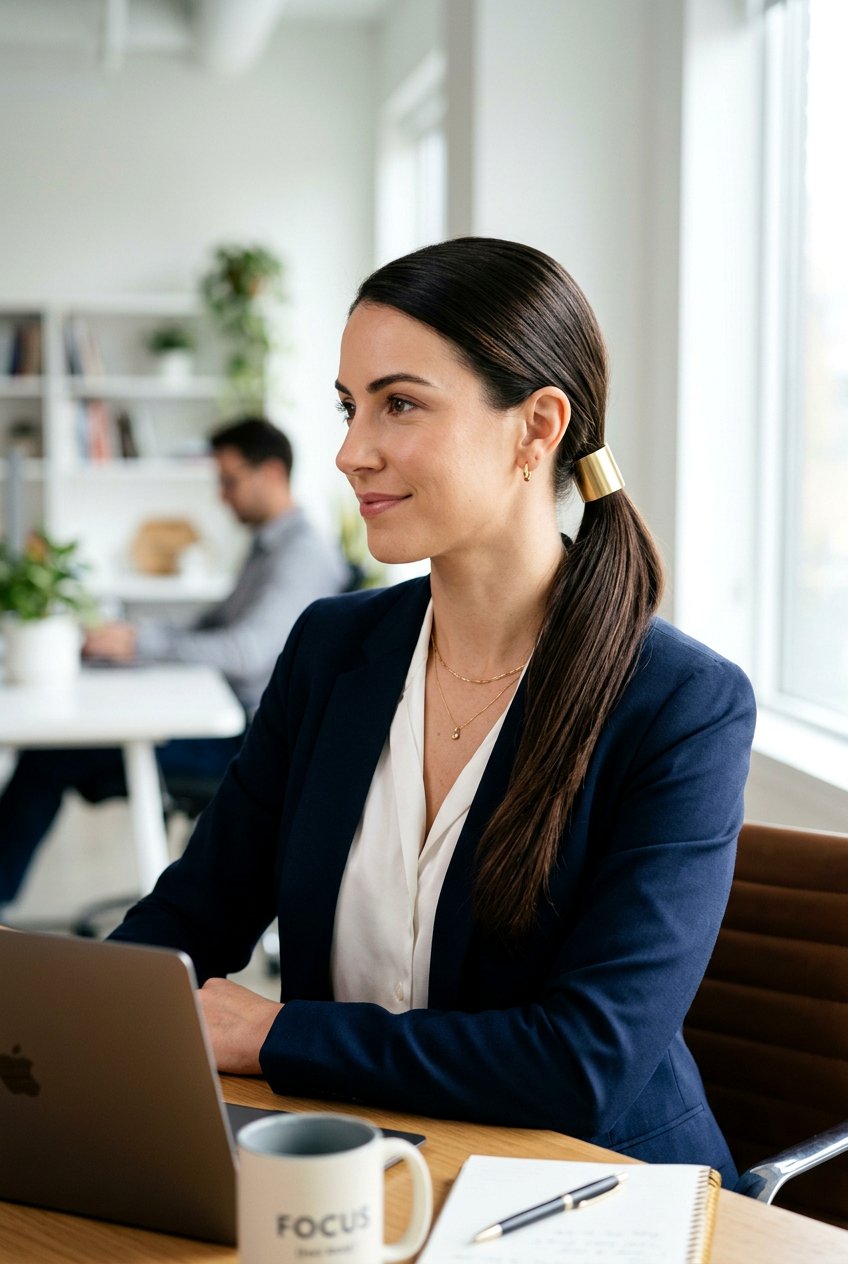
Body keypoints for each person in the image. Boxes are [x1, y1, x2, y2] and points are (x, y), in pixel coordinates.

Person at [109, 239, 756, 1183]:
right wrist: (74, 1014)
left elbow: (583, 1062)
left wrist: (280, 1034)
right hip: (351, 1172)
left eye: (399, 404)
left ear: (536, 428)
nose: (348, 450)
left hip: (590, 1195)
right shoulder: (333, 651)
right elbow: (194, 914)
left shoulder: (681, 704)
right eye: (349, 405)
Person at [0, 416, 349, 910]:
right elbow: (214, 624)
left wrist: (142, 643)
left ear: (270, 473)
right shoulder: (269, 547)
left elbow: (247, 652)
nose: (221, 497)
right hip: (229, 721)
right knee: (61, 748)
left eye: (229, 481)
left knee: (52, 754)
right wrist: (134, 637)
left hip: (243, 739)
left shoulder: (302, 555)